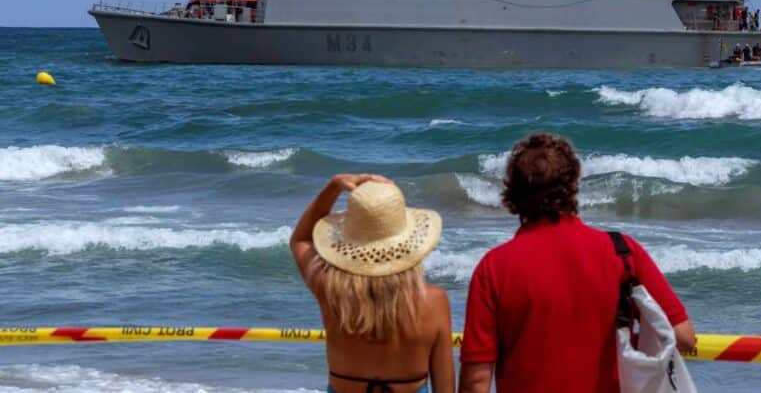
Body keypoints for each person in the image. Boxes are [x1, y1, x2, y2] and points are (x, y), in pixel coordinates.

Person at [459, 133, 695, 393]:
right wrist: (624, 344)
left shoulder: (494, 267)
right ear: (573, 184)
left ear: (512, 192)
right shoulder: (623, 253)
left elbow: (476, 381)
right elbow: (682, 337)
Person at [291, 174, 454, 393]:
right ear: (410, 245)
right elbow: (445, 387)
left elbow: (301, 240)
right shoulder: (433, 301)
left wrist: (334, 186)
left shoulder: (331, 291)